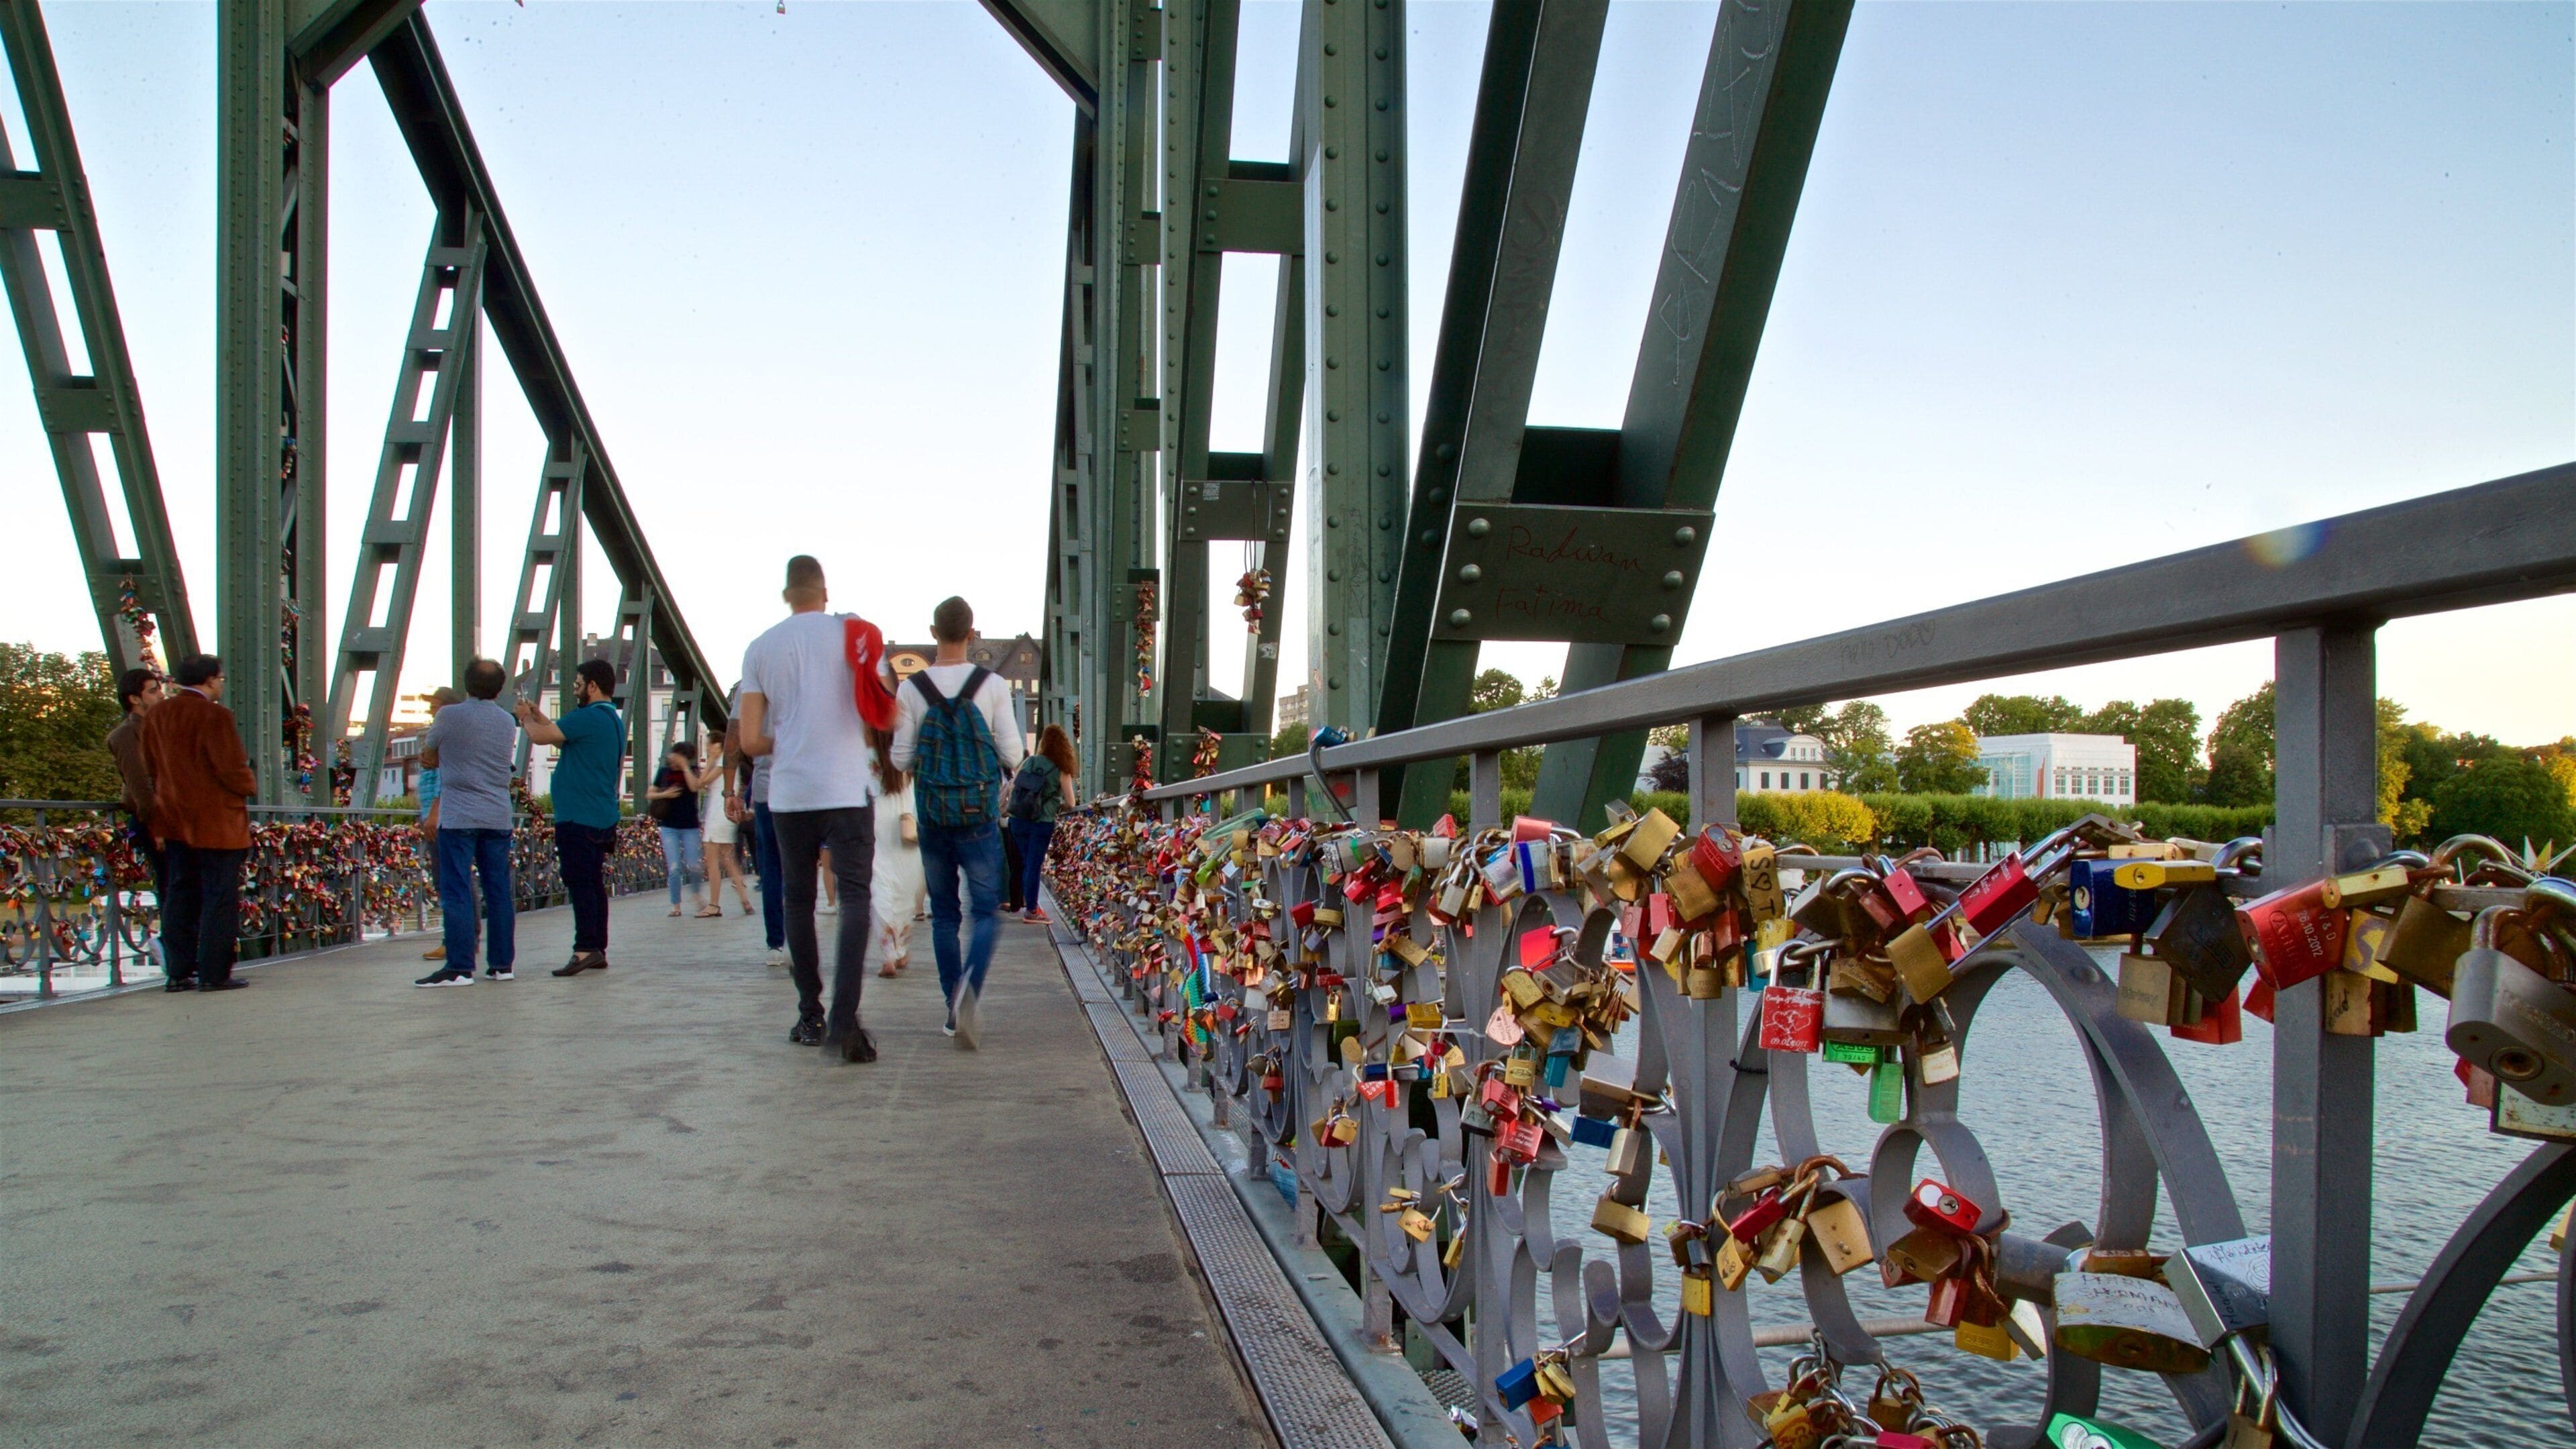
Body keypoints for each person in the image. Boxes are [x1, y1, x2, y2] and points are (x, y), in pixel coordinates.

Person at [738, 555, 879, 1062]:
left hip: (791, 793)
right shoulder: (855, 636)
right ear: (825, 591)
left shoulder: (761, 647)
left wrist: (792, 736)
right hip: (845, 788)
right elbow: (875, 719)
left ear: (786, 595)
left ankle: (810, 1014)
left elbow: (751, 741)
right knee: (856, 897)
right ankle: (846, 1015)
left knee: (797, 899)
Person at [890, 596, 1022, 1049]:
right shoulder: (991, 685)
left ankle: (953, 1006)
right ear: (972, 633)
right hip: (979, 816)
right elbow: (1013, 754)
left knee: (944, 914)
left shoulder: (912, 689)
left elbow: (901, 757)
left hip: (932, 815)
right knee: (985, 912)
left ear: (932, 633)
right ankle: (970, 990)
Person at [138, 653, 256, 993]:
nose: (221, 684)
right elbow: (230, 767)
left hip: (174, 819)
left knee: (180, 894)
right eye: (219, 678)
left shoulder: (158, 714)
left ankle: (177, 972)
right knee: (219, 898)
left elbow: (149, 764)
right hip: (216, 821)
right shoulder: (215, 716)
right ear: (209, 680)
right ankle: (214, 973)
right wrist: (248, 785)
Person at [515, 658, 623, 976]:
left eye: (577, 685)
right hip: (599, 814)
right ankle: (596, 948)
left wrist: (524, 719)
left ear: (592, 686)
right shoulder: (609, 718)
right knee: (592, 883)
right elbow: (561, 735)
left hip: (579, 816)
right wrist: (538, 715)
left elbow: (540, 737)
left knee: (580, 883)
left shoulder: (588, 717)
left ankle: (585, 948)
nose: (576, 691)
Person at [416, 662, 519, 986]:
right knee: (499, 891)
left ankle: (460, 967)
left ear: (466, 685)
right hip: (497, 815)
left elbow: (428, 754)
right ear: (499, 689)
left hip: (459, 815)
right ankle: (502, 966)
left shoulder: (449, 716)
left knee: (458, 889)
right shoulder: (507, 721)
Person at [103, 666, 170, 981]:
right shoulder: (126, 735)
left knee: (181, 885)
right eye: (153, 690)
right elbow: (141, 786)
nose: (161, 694)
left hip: (172, 819)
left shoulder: (160, 728)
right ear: (134, 699)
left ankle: (177, 951)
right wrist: (156, 827)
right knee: (172, 885)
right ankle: (170, 950)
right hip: (155, 822)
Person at [727, 705, 788, 967]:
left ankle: (776, 943)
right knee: (800, 867)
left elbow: (733, 737)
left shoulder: (751, 682)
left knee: (772, 868)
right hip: (805, 788)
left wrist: (729, 792)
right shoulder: (808, 667)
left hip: (766, 790)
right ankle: (801, 939)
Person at [1007, 722, 1080, 924]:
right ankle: (1031, 910)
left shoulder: (1029, 762)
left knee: (1025, 863)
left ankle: (1030, 904)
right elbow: (1072, 802)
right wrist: (1059, 803)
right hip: (1041, 822)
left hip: (1018, 820)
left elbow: (1014, 787)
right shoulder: (1061, 769)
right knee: (1034, 865)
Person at [415, 686, 461, 963]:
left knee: (448, 880)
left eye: (434, 705)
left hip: (441, 818)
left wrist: (434, 812)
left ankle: (453, 941)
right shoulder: (442, 735)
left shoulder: (446, 736)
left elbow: (446, 779)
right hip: (438, 815)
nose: (430, 709)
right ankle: (461, 938)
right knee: (452, 879)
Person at [870, 739, 920, 977]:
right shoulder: (906, 755)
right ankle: (901, 950)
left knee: (881, 888)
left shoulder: (869, 756)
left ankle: (888, 954)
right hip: (905, 826)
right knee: (904, 892)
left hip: (877, 826)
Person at [698, 736, 755, 918]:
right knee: (730, 862)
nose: (707, 747)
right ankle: (745, 901)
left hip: (717, 815)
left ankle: (714, 904)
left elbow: (701, 782)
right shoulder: (730, 763)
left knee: (713, 862)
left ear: (719, 744)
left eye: (709, 743)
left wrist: (710, 762)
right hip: (724, 816)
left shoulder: (723, 761)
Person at [649, 743, 708, 918]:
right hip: (669, 826)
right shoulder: (664, 773)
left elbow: (694, 787)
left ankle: (697, 894)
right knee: (674, 867)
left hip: (690, 826)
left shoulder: (694, 770)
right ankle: (676, 904)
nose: (671, 758)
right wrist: (665, 794)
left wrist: (685, 768)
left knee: (694, 864)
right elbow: (650, 793)